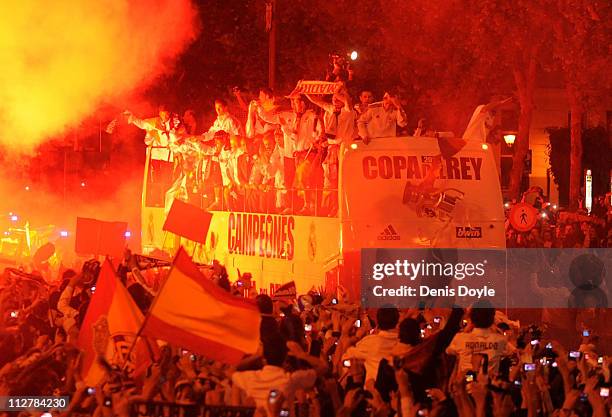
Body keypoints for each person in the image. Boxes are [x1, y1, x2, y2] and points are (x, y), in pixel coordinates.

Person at [257, 95, 323, 214]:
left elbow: (320, 131)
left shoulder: (312, 116)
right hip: (294, 154)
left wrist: (317, 138)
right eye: (292, 101)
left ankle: (309, 206)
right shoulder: (287, 115)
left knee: (303, 177)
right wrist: (259, 107)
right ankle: (298, 206)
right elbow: (268, 117)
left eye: (296, 101)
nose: (293, 104)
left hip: (309, 152)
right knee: (293, 182)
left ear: (303, 103)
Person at [305, 89, 356, 215]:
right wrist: (305, 90)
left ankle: (342, 208)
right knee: (330, 180)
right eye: (333, 97)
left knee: (343, 180)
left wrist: (339, 91)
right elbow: (316, 101)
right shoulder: (330, 109)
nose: (335, 99)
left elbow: (348, 101)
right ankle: (330, 207)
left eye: (338, 98)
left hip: (344, 150)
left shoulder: (348, 111)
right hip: (331, 150)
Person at [446, 300, 515, 376]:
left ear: (472, 318)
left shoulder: (460, 338)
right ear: (492, 318)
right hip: (487, 385)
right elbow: (512, 352)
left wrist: (466, 330)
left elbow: (449, 351)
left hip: (464, 384)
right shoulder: (500, 340)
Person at [125, 105, 175, 206]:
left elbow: (178, 136)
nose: (165, 115)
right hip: (155, 155)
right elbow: (142, 124)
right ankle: (156, 200)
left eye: (167, 112)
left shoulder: (175, 123)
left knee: (167, 179)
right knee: (156, 179)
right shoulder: (153, 122)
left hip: (169, 156)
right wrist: (132, 117)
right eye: (163, 112)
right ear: (160, 113)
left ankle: (167, 202)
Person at [342, 307, 399, 382]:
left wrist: (354, 337)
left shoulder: (370, 342)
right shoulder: (404, 342)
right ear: (397, 321)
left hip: (373, 389)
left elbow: (345, 358)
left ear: (378, 322)